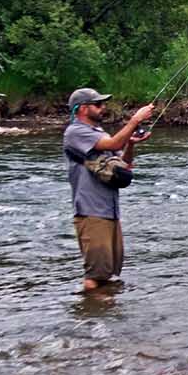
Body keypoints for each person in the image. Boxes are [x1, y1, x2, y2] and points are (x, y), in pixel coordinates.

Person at [63, 87, 155, 291]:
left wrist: (130, 144)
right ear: (82, 109)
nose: (103, 107)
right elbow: (114, 142)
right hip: (91, 211)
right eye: (98, 104)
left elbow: (124, 166)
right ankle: (91, 318)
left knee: (108, 274)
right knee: (95, 277)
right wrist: (135, 121)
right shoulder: (75, 132)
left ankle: (103, 316)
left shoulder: (98, 134)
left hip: (109, 211)